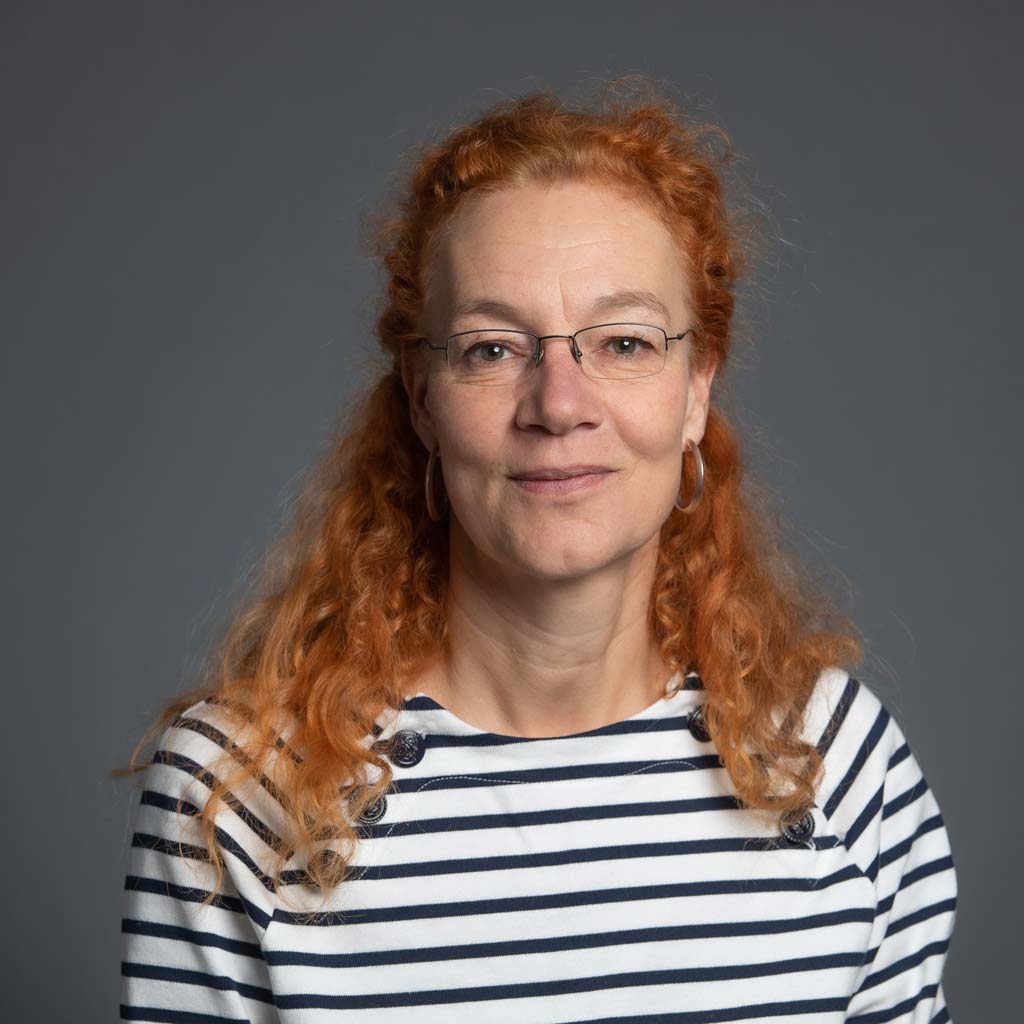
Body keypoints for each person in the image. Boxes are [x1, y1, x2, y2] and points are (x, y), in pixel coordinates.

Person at [116, 83, 958, 1022]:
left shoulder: (837, 762)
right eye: (492, 350)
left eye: (625, 342)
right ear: (422, 398)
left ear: (695, 390)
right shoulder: (240, 791)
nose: (559, 405)